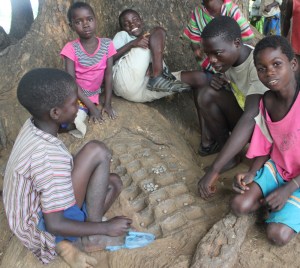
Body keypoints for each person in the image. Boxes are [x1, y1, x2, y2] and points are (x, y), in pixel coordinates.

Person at [3, 68, 132, 267]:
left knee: (113, 182)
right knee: (97, 151)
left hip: (29, 210)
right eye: (74, 104)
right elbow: (55, 223)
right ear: (55, 113)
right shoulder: (48, 156)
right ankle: (91, 237)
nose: (79, 106)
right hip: (41, 226)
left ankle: (84, 231)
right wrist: (105, 227)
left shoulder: (33, 125)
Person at [231, 35, 299, 246]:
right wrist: (252, 172)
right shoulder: (267, 101)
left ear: (293, 64)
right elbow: (265, 144)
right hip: (279, 169)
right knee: (239, 205)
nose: (269, 72)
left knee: (277, 235)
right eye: (261, 68)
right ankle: (275, 201)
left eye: (277, 64)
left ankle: (284, 204)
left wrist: (288, 189)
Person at [196, 16, 269, 199]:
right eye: (208, 54)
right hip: (248, 116)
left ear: (237, 43)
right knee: (206, 94)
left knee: (248, 115)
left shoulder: (257, 65)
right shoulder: (227, 61)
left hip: (267, 129)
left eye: (217, 53)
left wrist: (214, 169)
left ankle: (228, 161)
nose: (212, 60)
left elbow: (251, 115)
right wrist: (224, 81)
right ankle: (230, 156)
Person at [61, 2, 117, 138]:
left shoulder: (107, 44)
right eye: (79, 22)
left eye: (89, 19)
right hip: (76, 93)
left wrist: (108, 103)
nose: (86, 25)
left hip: (94, 94)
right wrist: (92, 107)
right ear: (72, 26)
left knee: (76, 117)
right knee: (68, 121)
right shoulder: (71, 48)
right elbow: (71, 82)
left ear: (95, 20)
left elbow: (109, 75)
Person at [112, 9, 190, 103]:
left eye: (135, 19)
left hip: (139, 92)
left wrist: (149, 66)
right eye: (126, 24)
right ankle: (158, 76)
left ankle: (158, 78)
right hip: (124, 82)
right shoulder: (123, 35)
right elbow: (109, 58)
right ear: (122, 29)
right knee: (157, 31)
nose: (132, 24)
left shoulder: (152, 46)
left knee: (198, 78)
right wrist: (132, 43)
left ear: (142, 21)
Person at [183, 0, 254, 72]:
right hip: (213, 68)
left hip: (236, 67)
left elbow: (247, 40)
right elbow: (195, 46)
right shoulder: (197, 13)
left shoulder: (231, 9)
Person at [282, 0, 300, 77]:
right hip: (296, 44)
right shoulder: (293, 2)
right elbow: (286, 21)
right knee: (296, 72)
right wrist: (283, 39)